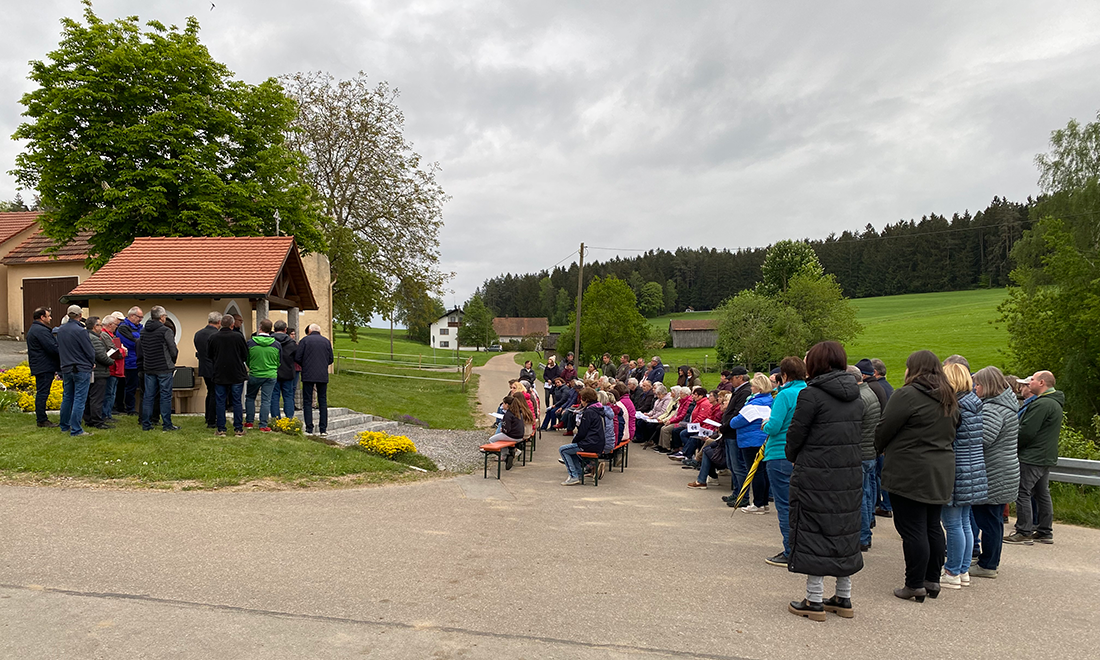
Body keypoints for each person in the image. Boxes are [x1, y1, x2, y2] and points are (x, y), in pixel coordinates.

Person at [785, 342, 864, 622]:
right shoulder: (857, 396)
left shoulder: (812, 395)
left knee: (812, 530)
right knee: (844, 530)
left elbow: (795, 434)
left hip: (815, 473)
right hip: (849, 473)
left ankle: (814, 599)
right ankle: (843, 596)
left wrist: (793, 455)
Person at [874, 350, 959, 602]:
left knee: (912, 529)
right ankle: (932, 579)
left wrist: (880, 447)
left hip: (909, 469)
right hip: (941, 468)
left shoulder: (907, 395)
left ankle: (914, 583)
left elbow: (884, 428)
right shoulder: (949, 397)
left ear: (913, 369)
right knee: (933, 525)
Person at [940, 362, 987, 589]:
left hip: (957, 468)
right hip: (973, 468)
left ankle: (952, 571)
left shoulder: (958, 408)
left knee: (953, 523)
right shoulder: (975, 404)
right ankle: (963, 569)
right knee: (964, 523)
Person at [970, 366, 1020, 577]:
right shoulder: (1006, 406)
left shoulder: (993, 409)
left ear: (987, 385)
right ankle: (989, 561)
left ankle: (988, 564)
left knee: (988, 520)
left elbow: (983, 439)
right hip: (1003, 469)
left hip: (994, 472)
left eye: (978, 384)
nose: (975, 388)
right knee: (994, 519)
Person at [1005, 370, 1064, 545]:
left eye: (1032, 380)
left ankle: (1024, 530)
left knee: (1022, 491)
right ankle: (1045, 530)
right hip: (1045, 455)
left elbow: (1027, 431)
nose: (1029, 383)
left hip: (1033, 456)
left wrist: (1013, 446)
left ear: (1042, 383)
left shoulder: (1042, 404)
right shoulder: (1053, 402)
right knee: (1041, 492)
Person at [762, 357, 808, 566]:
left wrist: (764, 424)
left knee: (784, 505)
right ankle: (803, 546)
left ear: (785, 375)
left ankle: (790, 549)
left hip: (780, 452)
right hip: (803, 455)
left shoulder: (784, 395)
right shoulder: (808, 392)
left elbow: (774, 426)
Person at [846, 365, 882, 553]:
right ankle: (865, 534)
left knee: (859, 497)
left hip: (860, 452)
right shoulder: (870, 392)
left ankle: (862, 536)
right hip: (869, 452)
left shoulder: (859, 398)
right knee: (866, 494)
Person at [56, 305, 96, 437]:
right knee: (79, 398)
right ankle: (76, 429)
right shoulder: (81, 331)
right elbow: (89, 350)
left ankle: (64, 425)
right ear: (80, 315)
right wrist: (92, 362)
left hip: (66, 367)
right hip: (81, 367)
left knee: (67, 397)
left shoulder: (60, 330)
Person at [207, 313, 249, 436]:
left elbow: (210, 355)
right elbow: (245, 354)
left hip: (220, 373)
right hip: (236, 373)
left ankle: (221, 429)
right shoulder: (238, 337)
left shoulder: (213, 337)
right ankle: (238, 429)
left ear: (221, 323)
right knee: (236, 401)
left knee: (220, 401)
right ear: (232, 324)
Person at [140, 306, 179, 432]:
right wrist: (172, 362)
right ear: (162, 317)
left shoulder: (143, 331)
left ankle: (146, 424)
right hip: (164, 368)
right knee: (165, 396)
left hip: (149, 367)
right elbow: (173, 350)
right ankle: (167, 424)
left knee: (148, 396)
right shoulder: (165, 331)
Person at [558, 388, 604, 485]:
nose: (581, 401)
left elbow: (582, 431)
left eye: (582, 399)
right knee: (571, 451)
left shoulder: (588, 412)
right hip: (597, 442)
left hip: (590, 443)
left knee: (563, 450)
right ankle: (579, 473)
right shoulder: (597, 409)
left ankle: (573, 475)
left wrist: (575, 441)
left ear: (586, 400)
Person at [721, 367, 752, 507]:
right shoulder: (739, 391)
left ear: (740, 378)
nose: (731, 381)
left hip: (733, 432)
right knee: (732, 465)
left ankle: (743, 495)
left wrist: (725, 425)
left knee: (738, 466)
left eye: (732, 378)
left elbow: (737, 413)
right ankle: (736, 492)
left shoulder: (745, 391)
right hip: (729, 432)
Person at [296, 323, 334, 436]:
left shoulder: (305, 341)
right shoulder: (326, 342)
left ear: (310, 330)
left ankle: (309, 428)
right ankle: (323, 429)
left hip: (308, 374)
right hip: (322, 375)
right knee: (322, 401)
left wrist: (305, 364)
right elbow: (330, 359)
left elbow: (298, 357)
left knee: (307, 401)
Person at [243, 318, 280, 431]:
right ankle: (263, 425)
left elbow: (247, 359)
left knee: (250, 397)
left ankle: (249, 422)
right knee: (266, 400)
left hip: (255, 373)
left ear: (259, 328)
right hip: (270, 374)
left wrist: (252, 367)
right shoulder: (276, 344)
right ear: (271, 329)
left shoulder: (251, 342)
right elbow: (279, 360)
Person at [26, 307, 60, 428]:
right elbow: (52, 348)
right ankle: (42, 419)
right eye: (48, 316)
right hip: (44, 366)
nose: (50, 318)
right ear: (42, 317)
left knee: (42, 392)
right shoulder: (40, 331)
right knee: (42, 393)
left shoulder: (37, 329)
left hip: (41, 365)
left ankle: (41, 418)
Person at [82, 317, 115, 430]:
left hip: (92, 372)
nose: (101, 327)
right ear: (95, 326)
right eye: (100, 325)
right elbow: (101, 356)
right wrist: (111, 361)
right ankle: (97, 420)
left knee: (89, 397)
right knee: (96, 397)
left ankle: (89, 419)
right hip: (99, 372)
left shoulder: (86, 336)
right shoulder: (95, 339)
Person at [194, 311, 222, 429]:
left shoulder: (198, 334)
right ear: (219, 322)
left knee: (209, 392)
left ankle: (208, 417)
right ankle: (212, 420)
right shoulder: (217, 335)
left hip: (204, 367)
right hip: (216, 368)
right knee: (215, 394)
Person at [488, 395, 530, 470]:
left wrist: (502, 429)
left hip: (512, 436)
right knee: (502, 438)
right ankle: (512, 450)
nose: (502, 405)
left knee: (492, 439)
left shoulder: (508, 415)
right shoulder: (518, 412)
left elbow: (507, 430)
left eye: (503, 403)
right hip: (520, 436)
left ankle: (505, 454)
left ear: (507, 405)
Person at [115, 306, 143, 415]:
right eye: (139, 317)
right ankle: (129, 409)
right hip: (129, 363)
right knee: (130, 387)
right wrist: (141, 342)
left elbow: (140, 341)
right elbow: (132, 343)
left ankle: (132, 408)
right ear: (132, 316)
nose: (140, 319)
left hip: (138, 361)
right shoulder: (123, 328)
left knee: (136, 386)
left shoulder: (140, 327)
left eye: (141, 317)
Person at [101, 313, 127, 422]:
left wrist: (120, 350)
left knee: (112, 393)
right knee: (109, 393)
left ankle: (108, 414)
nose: (117, 327)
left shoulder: (111, 336)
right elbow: (114, 352)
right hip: (111, 369)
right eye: (116, 325)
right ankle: (105, 415)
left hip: (115, 369)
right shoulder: (105, 336)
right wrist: (123, 351)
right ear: (110, 325)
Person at [270, 320, 298, 421]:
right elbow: (297, 358)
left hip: (274, 372)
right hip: (288, 372)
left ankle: (275, 419)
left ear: (274, 329)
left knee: (274, 396)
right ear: (285, 330)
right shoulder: (291, 343)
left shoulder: (270, 341)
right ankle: (289, 418)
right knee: (288, 396)